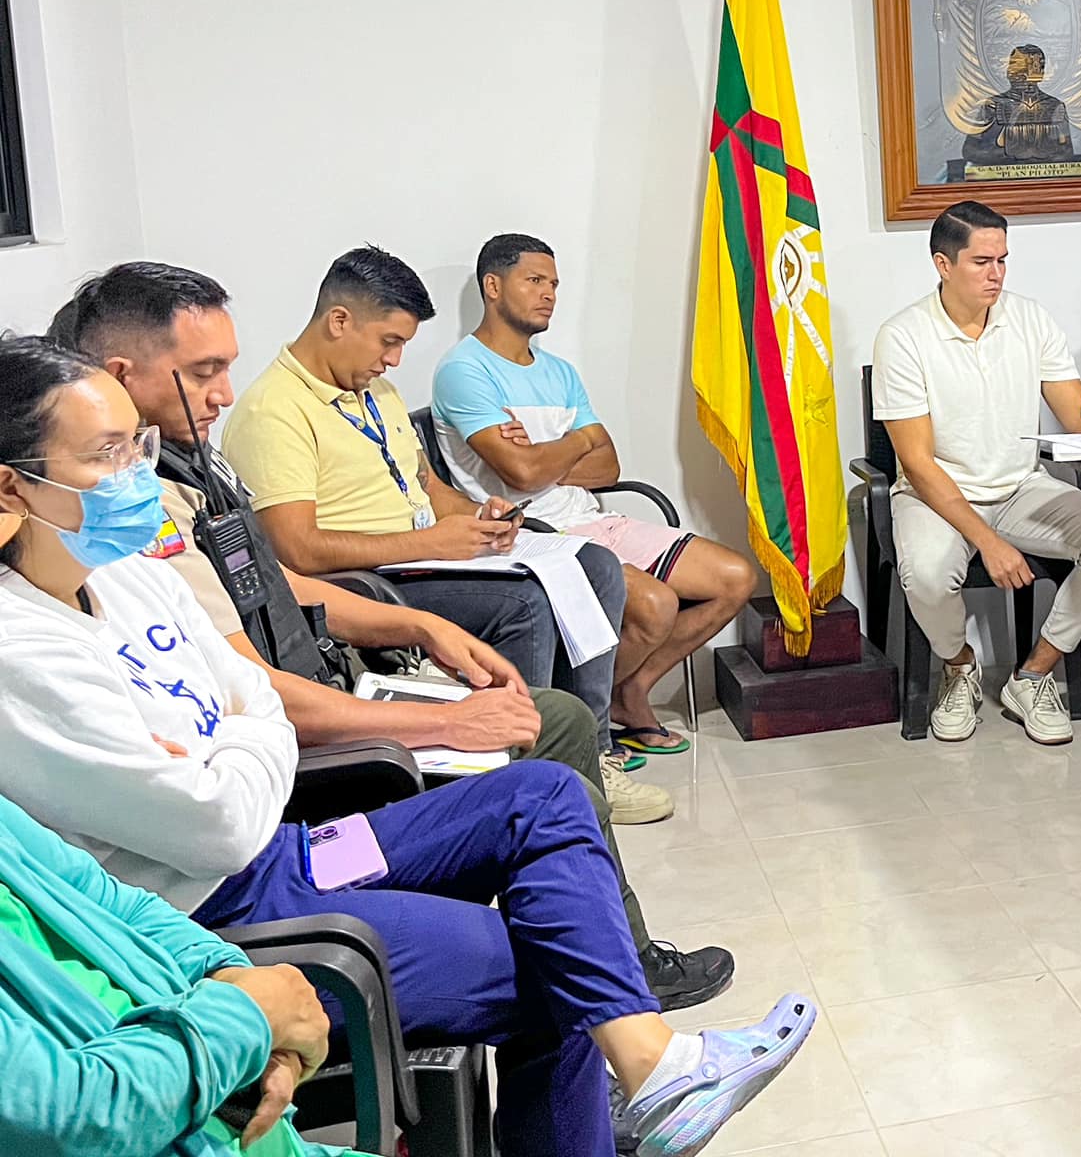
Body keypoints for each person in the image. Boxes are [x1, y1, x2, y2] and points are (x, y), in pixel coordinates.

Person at [0, 337, 813, 1157]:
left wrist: (231, 740)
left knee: (543, 794)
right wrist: (245, 731)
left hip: (287, 853)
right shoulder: (20, 652)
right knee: (558, 968)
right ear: (12, 486)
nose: (136, 477)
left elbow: (249, 700)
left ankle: (653, 1066)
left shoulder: (131, 574)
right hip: (216, 914)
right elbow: (220, 819)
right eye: (106, 456)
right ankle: (641, 1074)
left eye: (137, 448)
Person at [50, 261, 732, 1014]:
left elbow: (278, 586)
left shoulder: (192, 468)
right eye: (204, 372)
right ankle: (609, 968)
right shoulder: (135, 528)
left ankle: (615, 960)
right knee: (537, 755)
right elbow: (261, 688)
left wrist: (421, 624)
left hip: (322, 694)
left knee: (561, 700)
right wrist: (444, 721)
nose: (223, 394)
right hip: (298, 777)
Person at [218, 246, 631, 731]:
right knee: (525, 605)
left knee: (596, 565)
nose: (393, 360)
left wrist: (480, 517)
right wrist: (429, 542)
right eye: (388, 341)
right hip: (363, 583)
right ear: (339, 321)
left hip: (421, 560)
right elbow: (297, 551)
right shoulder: (273, 410)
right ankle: (522, 752)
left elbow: (427, 486)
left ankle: (591, 744)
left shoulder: (378, 393)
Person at [432, 235, 756, 755]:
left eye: (554, 284)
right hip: (534, 534)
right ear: (493, 286)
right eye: (534, 281)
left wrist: (552, 451)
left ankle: (628, 692)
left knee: (735, 578)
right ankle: (576, 722)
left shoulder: (560, 372)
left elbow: (607, 466)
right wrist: (576, 443)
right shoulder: (464, 371)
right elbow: (521, 474)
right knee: (656, 605)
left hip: (592, 518)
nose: (549, 294)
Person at [871, 200, 1081, 744]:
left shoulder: (1030, 318)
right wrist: (988, 541)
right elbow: (918, 464)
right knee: (927, 574)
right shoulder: (902, 336)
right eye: (981, 262)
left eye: (1002, 260)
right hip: (935, 496)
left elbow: (1076, 412)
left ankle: (1033, 675)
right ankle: (959, 666)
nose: (996, 274)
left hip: (1021, 487)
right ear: (943, 264)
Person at [0, 788, 359, 1157]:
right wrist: (251, 1014)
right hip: (239, 890)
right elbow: (70, 1122)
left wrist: (231, 974)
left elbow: (107, 895)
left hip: (250, 1121)